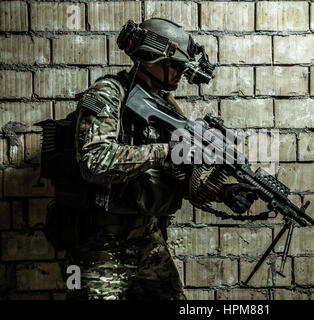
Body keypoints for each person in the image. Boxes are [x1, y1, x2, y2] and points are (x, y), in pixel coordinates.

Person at [63, 18, 258, 300]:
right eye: (176, 65)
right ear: (150, 59)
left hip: (148, 238)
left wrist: (223, 191)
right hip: (100, 243)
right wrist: (165, 150)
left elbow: (177, 175)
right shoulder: (108, 94)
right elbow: (93, 162)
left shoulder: (165, 105)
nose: (181, 73)